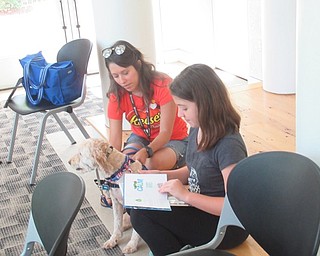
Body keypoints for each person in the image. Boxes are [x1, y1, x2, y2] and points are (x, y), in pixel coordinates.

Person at [128, 64, 249, 255]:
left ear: (205, 103)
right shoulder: (198, 128)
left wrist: (185, 196)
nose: (180, 114)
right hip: (201, 209)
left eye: (184, 108)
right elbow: (193, 170)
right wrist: (161, 176)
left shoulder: (228, 145)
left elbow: (234, 207)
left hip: (225, 226)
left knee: (142, 216)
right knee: (136, 204)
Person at [101, 40, 189, 206]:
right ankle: (129, 198)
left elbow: (165, 133)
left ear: (138, 65)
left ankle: (138, 203)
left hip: (174, 140)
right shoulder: (116, 95)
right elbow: (114, 140)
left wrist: (147, 151)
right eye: (115, 76)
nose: (122, 80)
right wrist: (110, 170)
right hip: (141, 137)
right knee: (124, 162)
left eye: (125, 72)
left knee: (147, 163)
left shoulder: (163, 84)